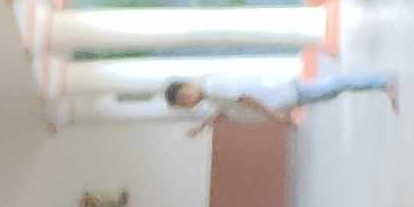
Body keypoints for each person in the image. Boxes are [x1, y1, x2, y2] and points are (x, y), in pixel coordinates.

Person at [165, 72, 396, 128]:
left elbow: (244, 98)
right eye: (184, 103)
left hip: (281, 94)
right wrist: (204, 125)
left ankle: (383, 82)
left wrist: (273, 116)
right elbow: (226, 108)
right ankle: (381, 83)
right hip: (282, 96)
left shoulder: (212, 88)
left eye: (185, 96)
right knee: (331, 90)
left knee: (333, 87)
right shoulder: (211, 96)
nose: (189, 101)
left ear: (188, 85)